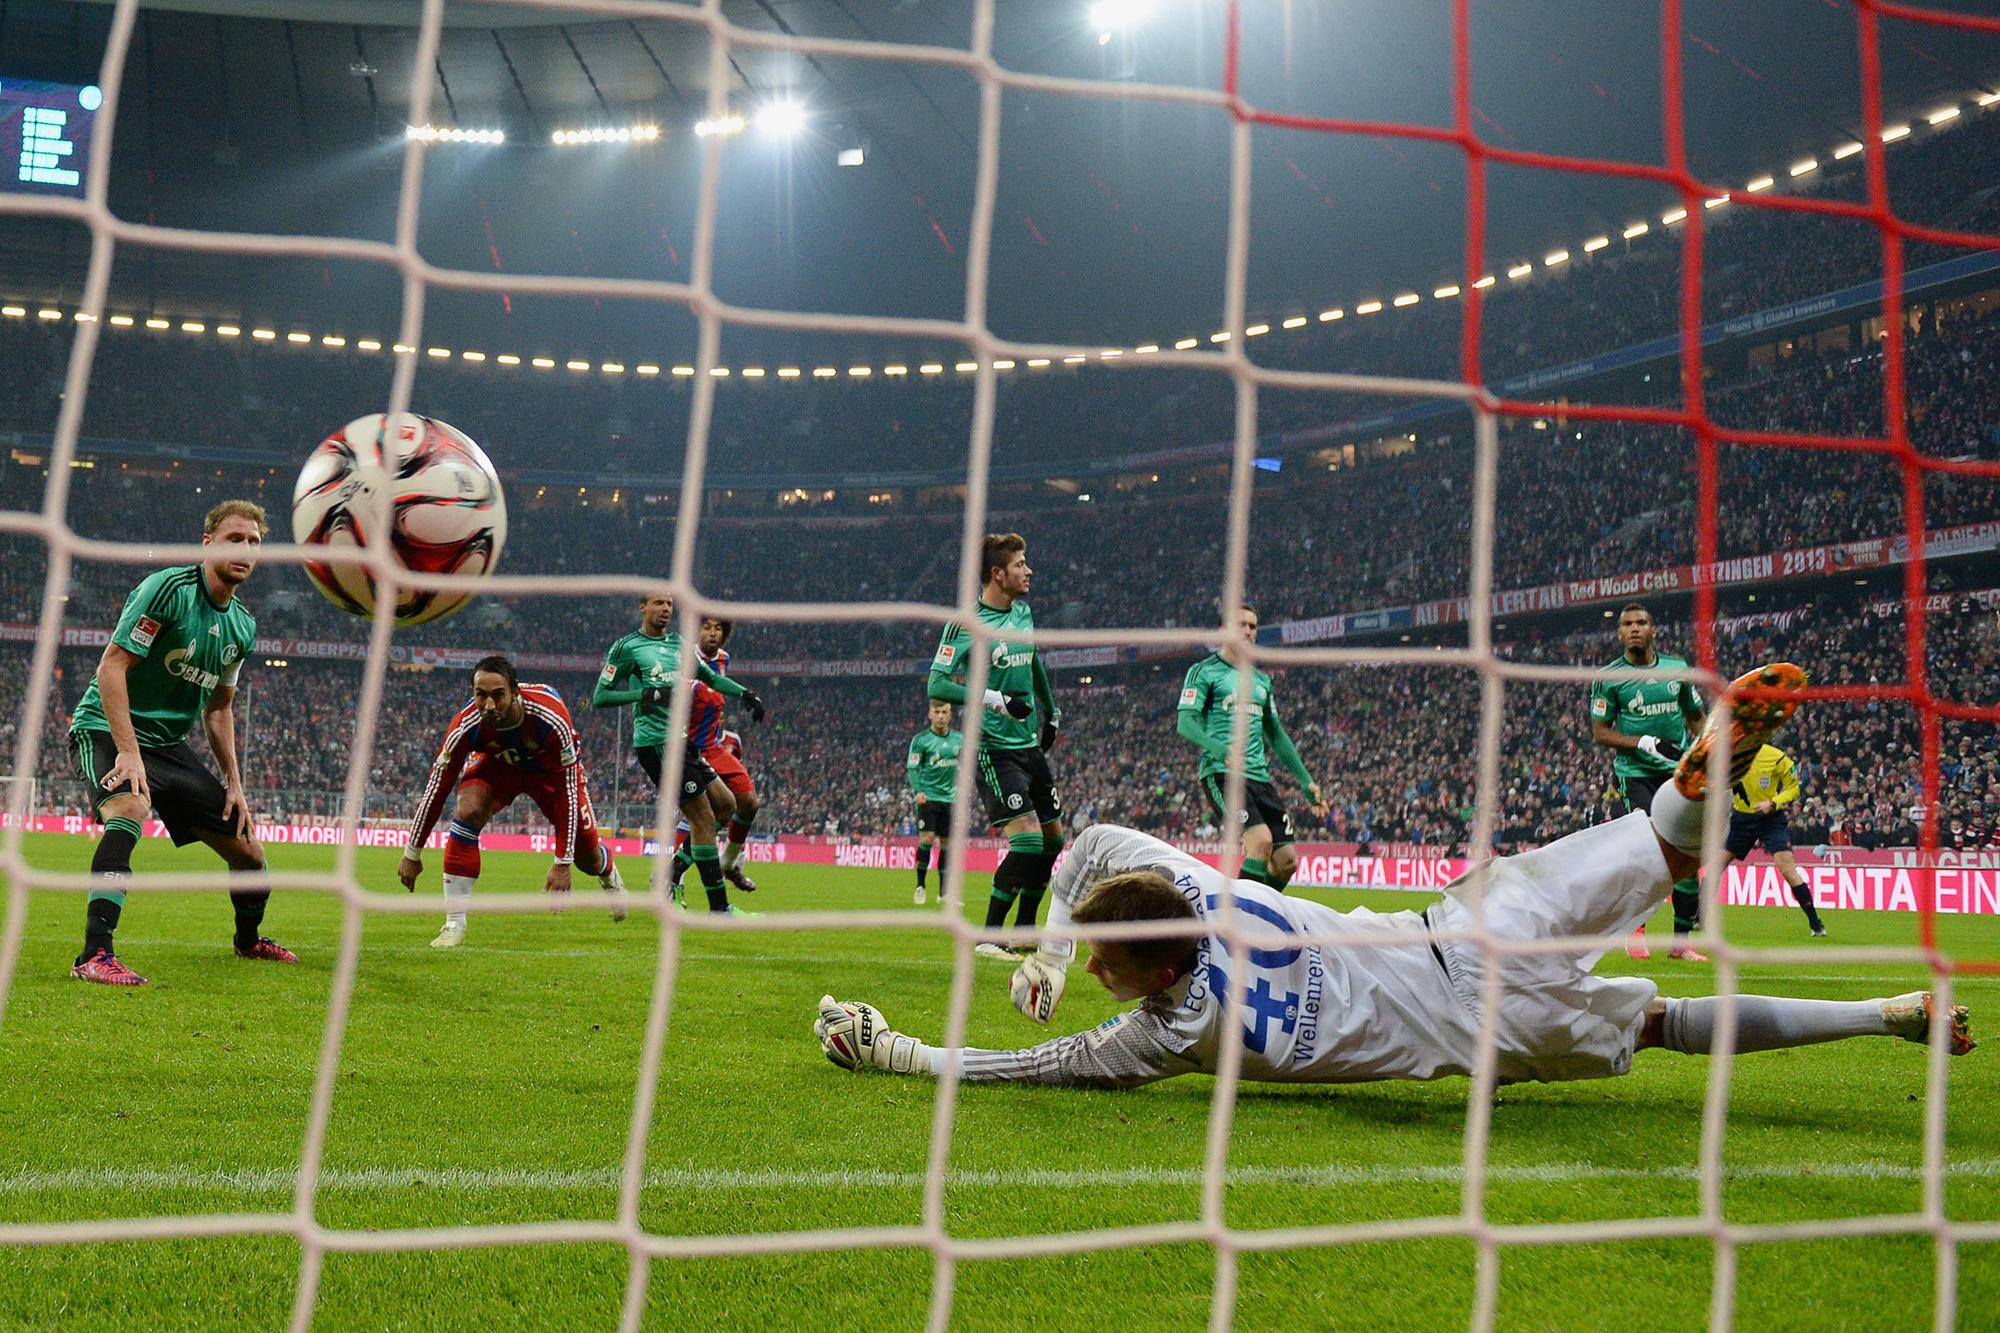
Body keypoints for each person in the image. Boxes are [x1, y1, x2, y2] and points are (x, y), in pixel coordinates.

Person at [816, 664, 1974, 1089]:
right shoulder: (1200, 888)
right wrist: (1063, 930)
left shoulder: (1167, 1033)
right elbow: (1101, 843)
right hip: (1456, 921)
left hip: (1480, 1031)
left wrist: (902, 1048)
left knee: (1664, 1024)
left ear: (1137, 975)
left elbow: (1032, 1065)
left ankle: (1884, 1016)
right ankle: (1697, 786)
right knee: (1659, 850)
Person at [67, 499, 296, 986]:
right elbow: (112, 667)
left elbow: (218, 708)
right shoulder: (168, 589)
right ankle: (94, 954)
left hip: (169, 745)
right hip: (107, 728)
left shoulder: (243, 627)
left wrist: (235, 783)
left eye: (254, 542)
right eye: (235, 538)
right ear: (208, 543)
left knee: (250, 854)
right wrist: (128, 750)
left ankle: (248, 941)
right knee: (129, 809)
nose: (246, 549)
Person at [397, 656, 625, 947]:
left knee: (587, 858)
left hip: (549, 774)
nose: (489, 705)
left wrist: (562, 862)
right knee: (467, 811)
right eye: (481, 695)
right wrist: (412, 852)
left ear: (514, 692)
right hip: (498, 766)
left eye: (498, 695)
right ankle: (454, 923)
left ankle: (608, 875)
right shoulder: (466, 725)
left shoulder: (550, 718)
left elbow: (567, 791)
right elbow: (437, 788)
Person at [927, 533, 1063, 959]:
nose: (1029, 571)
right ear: (997, 573)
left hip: (1029, 747)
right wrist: (994, 699)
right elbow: (936, 683)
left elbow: (1034, 661)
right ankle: (988, 936)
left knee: (1054, 840)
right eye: (1021, 564)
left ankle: (1024, 929)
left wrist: (1052, 710)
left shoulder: (1023, 613)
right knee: (1027, 842)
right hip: (992, 749)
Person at [591, 593, 764, 916]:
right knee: (703, 818)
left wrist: (745, 694)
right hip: (656, 744)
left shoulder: (679, 646)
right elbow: (600, 696)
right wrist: (643, 693)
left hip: (683, 742)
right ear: (642, 607)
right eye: (658, 603)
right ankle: (719, 910)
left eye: (669, 604)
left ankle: (669, 878)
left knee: (726, 804)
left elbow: (711, 678)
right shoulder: (627, 647)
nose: (665, 609)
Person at [1176, 602, 1327, 890]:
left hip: (1260, 778)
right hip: (1222, 773)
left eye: (1252, 626)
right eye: (1240, 625)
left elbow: (1277, 734)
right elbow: (1186, 723)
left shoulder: (1261, 680)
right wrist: (1221, 750)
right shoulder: (1204, 671)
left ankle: (1258, 920)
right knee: (1260, 843)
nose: (1247, 631)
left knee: (1286, 861)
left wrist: (1307, 783)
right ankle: (1239, 924)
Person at [1590, 602, 1707, 962]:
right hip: (1636, 773)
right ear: (1620, 633)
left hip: (1678, 773)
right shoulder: (1610, 677)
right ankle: (1636, 929)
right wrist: (1642, 743)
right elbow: (1599, 733)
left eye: (1642, 622)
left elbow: (1696, 718)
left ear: (1653, 629)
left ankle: (1681, 942)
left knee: (1688, 853)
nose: (1635, 628)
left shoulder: (1677, 669)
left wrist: (1705, 754)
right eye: (1628, 624)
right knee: (1650, 850)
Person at [1724, 742, 1826, 937]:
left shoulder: (1776, 757)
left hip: (1770, 818)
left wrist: (1773, 803)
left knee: (1787, 869)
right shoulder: (1728, 754)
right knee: (1715, 866)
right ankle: (1696, 917)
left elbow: (1793, 788)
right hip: (1741, 819)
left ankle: (1816, 923)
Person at [696, 616, 764, 893]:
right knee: (699, 815)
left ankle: (729, 862)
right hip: (686, 746)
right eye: (707, 627)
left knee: (748, 803)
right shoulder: (684, 657)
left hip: (712, 746)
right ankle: (670, 878)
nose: (713, 633)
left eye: (718, 628)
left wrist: (746, 696)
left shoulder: (724, 658)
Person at [906, 699, 963, 905]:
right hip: (928, 797)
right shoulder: (921, 740)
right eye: (936, 711)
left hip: (950, 799)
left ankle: (944, 893)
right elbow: (912, 768)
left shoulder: (959, 739)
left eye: (944, 712)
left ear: (950, 715)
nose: (940, 716)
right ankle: (920, 886)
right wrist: (918, 790)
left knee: (947, 843)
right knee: (927, 838)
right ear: (930, 714)